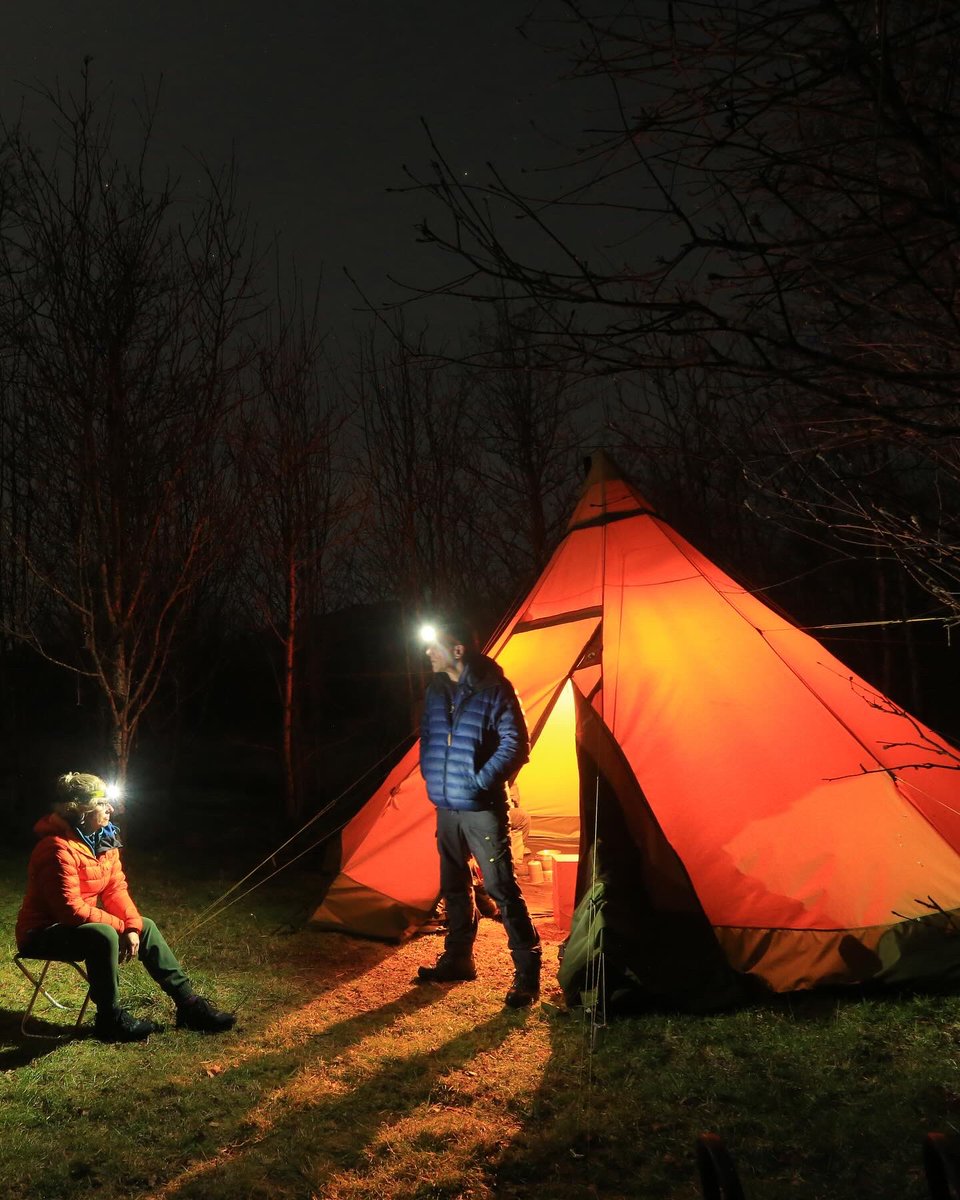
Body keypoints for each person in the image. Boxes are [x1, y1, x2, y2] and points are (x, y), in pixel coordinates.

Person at [15, 771, 236, 1043]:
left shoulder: (105, 841)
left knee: (145, 925)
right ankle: (110, 1020)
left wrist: (131, 926)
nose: (111, 809)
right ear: (81, 810)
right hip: (42, 934)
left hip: (79, 926)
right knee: (104, 933)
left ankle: (189, 1005)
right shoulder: (56, 848)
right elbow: (69, 911)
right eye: (102, 803)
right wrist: (120, 927)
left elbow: (115, 888)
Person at [416, 620, 542, 1007]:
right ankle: (458, 959)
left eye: (433, 646)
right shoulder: (436, 690)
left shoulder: (495, 690)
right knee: (454, 885)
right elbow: (428, 737)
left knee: (502, 888)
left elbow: (517, 745)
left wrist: (479, 782)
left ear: (457, 650)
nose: (427, 653)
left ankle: (527, 973)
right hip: (446, 806)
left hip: (482, 807)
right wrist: (431, 779)